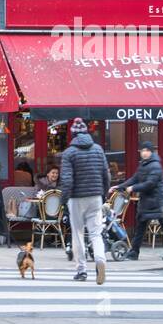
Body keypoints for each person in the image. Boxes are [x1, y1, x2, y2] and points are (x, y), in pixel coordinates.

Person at [59, 117, 110, 284]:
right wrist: (104, 195)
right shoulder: (98, 149)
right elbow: (106, 174)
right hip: (95, 196)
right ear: (87, 132)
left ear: (73, 134)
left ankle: (81, 270)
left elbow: (66, 180)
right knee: (96, 233)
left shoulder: (69, 153)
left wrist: (63, 200)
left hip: (76, 198)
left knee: (78, 234)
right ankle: (100, 260)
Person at [122, 142, 163, 261]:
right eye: (142, 150)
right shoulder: (144, 164)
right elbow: (135, 178)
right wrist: (120, 186)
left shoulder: (155, 165)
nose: (144, 153)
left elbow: (150, 184)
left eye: (146, 150)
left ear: (151, 152)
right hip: (148, 202)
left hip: (158, 201)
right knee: (141, 227)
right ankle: (134, 252)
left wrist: (133, 188)